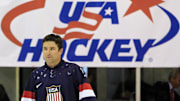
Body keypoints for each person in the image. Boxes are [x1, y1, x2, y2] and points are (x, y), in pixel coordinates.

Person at [21, 34, 97, 101]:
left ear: (60, 51)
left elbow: (88, 97)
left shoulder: (74, 71)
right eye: (45, 49)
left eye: (52, 49)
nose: (48, 52)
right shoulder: (36, 75)